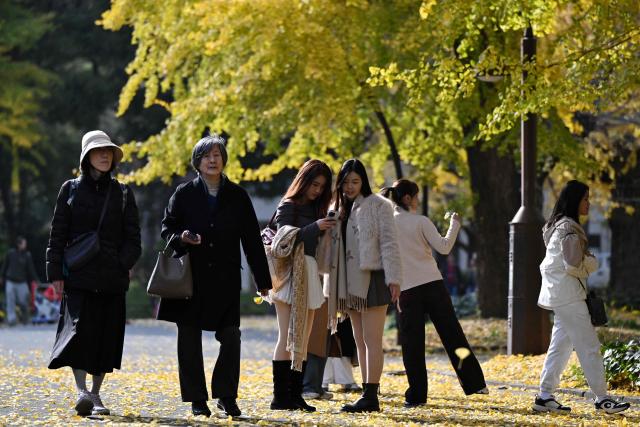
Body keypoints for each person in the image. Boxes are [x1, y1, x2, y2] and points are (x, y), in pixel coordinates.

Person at [158, 135, 272, 418]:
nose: (212, 159)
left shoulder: (238, 196)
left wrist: (263, 281)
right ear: (198, 161)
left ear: (223, 160)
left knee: (232, 336)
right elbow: (166, 228)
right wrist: (181, 237)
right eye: (207, 155)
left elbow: (252, 241)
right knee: (188, 337)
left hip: (225, 278)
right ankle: (197, 399)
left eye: (217, 154)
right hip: (191, 278)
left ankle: (226, 396)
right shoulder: (183, 194)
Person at [46, 130, 141, 416]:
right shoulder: (70, 189)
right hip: (78, 274)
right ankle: (81, 391)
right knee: (79, 333)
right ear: (86, 157)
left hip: (112, 277)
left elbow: (133, 237)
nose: (104, 155)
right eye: (98, 151)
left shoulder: (123, 193)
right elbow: (57, 232)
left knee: (106, 336)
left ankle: (97, 394)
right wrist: (55, 272)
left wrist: (121, 263)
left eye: (109, 151)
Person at [382, 179, 487, 408]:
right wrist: (455, 224)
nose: (418, 200)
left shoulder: (387, 224)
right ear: (408, 198)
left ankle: (417, 396)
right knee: (452, 334)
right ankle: (475, 383)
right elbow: (444, 247)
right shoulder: (420, 221)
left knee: (412, 345)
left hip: (406, 289)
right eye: (416, 196)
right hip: (432, 284)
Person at [534, 180, 630, 414]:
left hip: (560, 293)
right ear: (575, 200)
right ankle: (602, 398)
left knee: (560, 347)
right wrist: (592, 262)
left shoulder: (557, 225)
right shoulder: (569, 228)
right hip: (569, 295)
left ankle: (545, 396)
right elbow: (573, 264)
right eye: (586, 198)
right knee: (589, 347)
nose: (589, 203)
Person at [323, 158, 402, 413]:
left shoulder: (379, 205)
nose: (350, 187)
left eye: (355, 181)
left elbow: (390, 243)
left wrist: (394, 279)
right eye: (345, 182)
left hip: (374, 277)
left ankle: (371, 394)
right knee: (358, 339)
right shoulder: (337, 208)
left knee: (372, 339)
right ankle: (368, 394)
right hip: (348, 280)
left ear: (363, 181)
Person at [268, 159, 334, 412]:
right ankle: (279, 396)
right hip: (288, 273)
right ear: (304, 181)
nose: (317, 190)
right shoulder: (288, 205)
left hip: (309, 271)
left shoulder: (320, 208)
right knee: (287, 335)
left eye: (322, 186)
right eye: (314, 184)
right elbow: (284, 239)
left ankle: (295, 394)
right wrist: (315, 227)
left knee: (303, 338)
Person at [1, 236, 38, 325]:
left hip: (22, 282)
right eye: (24, 243)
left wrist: (36, 280)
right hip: (10, 281)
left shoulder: (27, 255)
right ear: (19, 244)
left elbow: (31, 269)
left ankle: (25, 319)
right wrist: (1, 276)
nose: (25, 245)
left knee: (24, 301)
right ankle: (11, 319)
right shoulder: (10, 253)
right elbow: (4, 266)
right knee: (10, 301)